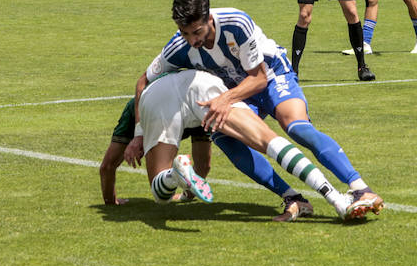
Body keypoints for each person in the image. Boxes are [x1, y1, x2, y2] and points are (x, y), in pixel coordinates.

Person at [138, 0, 384, 220]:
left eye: (197, 32)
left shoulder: (235, 22)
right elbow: (143, 83)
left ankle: (360, 188)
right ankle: (293, 198)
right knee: (225, 137)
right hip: (237, 90)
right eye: (185, 33)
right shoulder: (178, 47)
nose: (192, 40)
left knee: (296, 127)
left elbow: (259, 79)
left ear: (209, 19)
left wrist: (224, 99)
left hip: (270, 74)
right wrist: (139, 134)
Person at [133, 69, 358, 219]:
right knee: (269, 141)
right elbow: (203, 164)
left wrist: (137, 134)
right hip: (203, 85)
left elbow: (110, 161)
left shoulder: (144, 101)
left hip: (161, 98)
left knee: (159, 193)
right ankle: (337, 200)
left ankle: (173, 174)